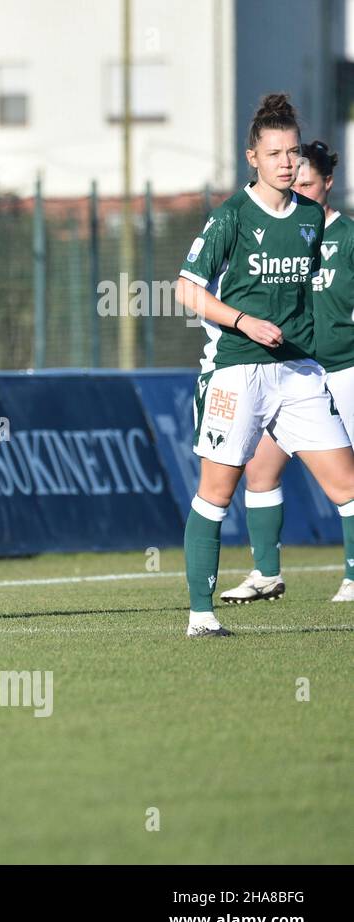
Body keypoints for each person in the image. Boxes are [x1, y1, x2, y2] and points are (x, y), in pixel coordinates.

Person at [174, 93, 354, 636]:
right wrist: (242, 322)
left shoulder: (308, 218)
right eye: (274, 153)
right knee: (218, 492)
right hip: (239, 370)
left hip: (299, 371)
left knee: (346, 484)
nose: (285, 162)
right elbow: (186, 290)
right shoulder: (231, 216)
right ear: (252, 156)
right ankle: (201, 617)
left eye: (292, 153)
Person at [221, 139, 354, 604]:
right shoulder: (281, 228)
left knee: (346, 481)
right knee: (259, 468)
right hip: (296, 370)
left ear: (328, 184)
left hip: (345, 370)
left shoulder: (345, 235)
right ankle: (266, 573)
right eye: (292, 179)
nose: (297, 187)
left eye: (308, 182)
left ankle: (353, 575)